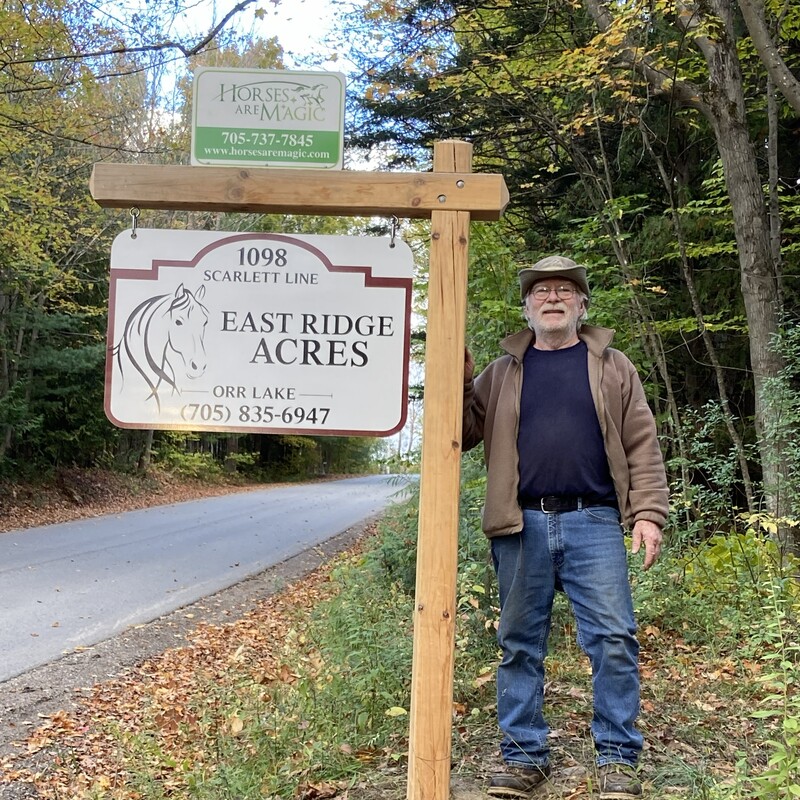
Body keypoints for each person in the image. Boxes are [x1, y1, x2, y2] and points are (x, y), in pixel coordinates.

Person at [462, 256, 669, 799]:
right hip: (519, 524)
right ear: (527, 308)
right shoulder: (502, 371)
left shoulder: (613, 366)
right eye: (540, 292)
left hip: (595, 520)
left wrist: (646, 513)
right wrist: (457, 373)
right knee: (519, 644)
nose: (551, 298)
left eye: (563, 291)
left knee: (613, 641)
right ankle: (525, 756)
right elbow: (460, 431)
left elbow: (641, 443)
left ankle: (619, 757)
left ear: (582, 304)